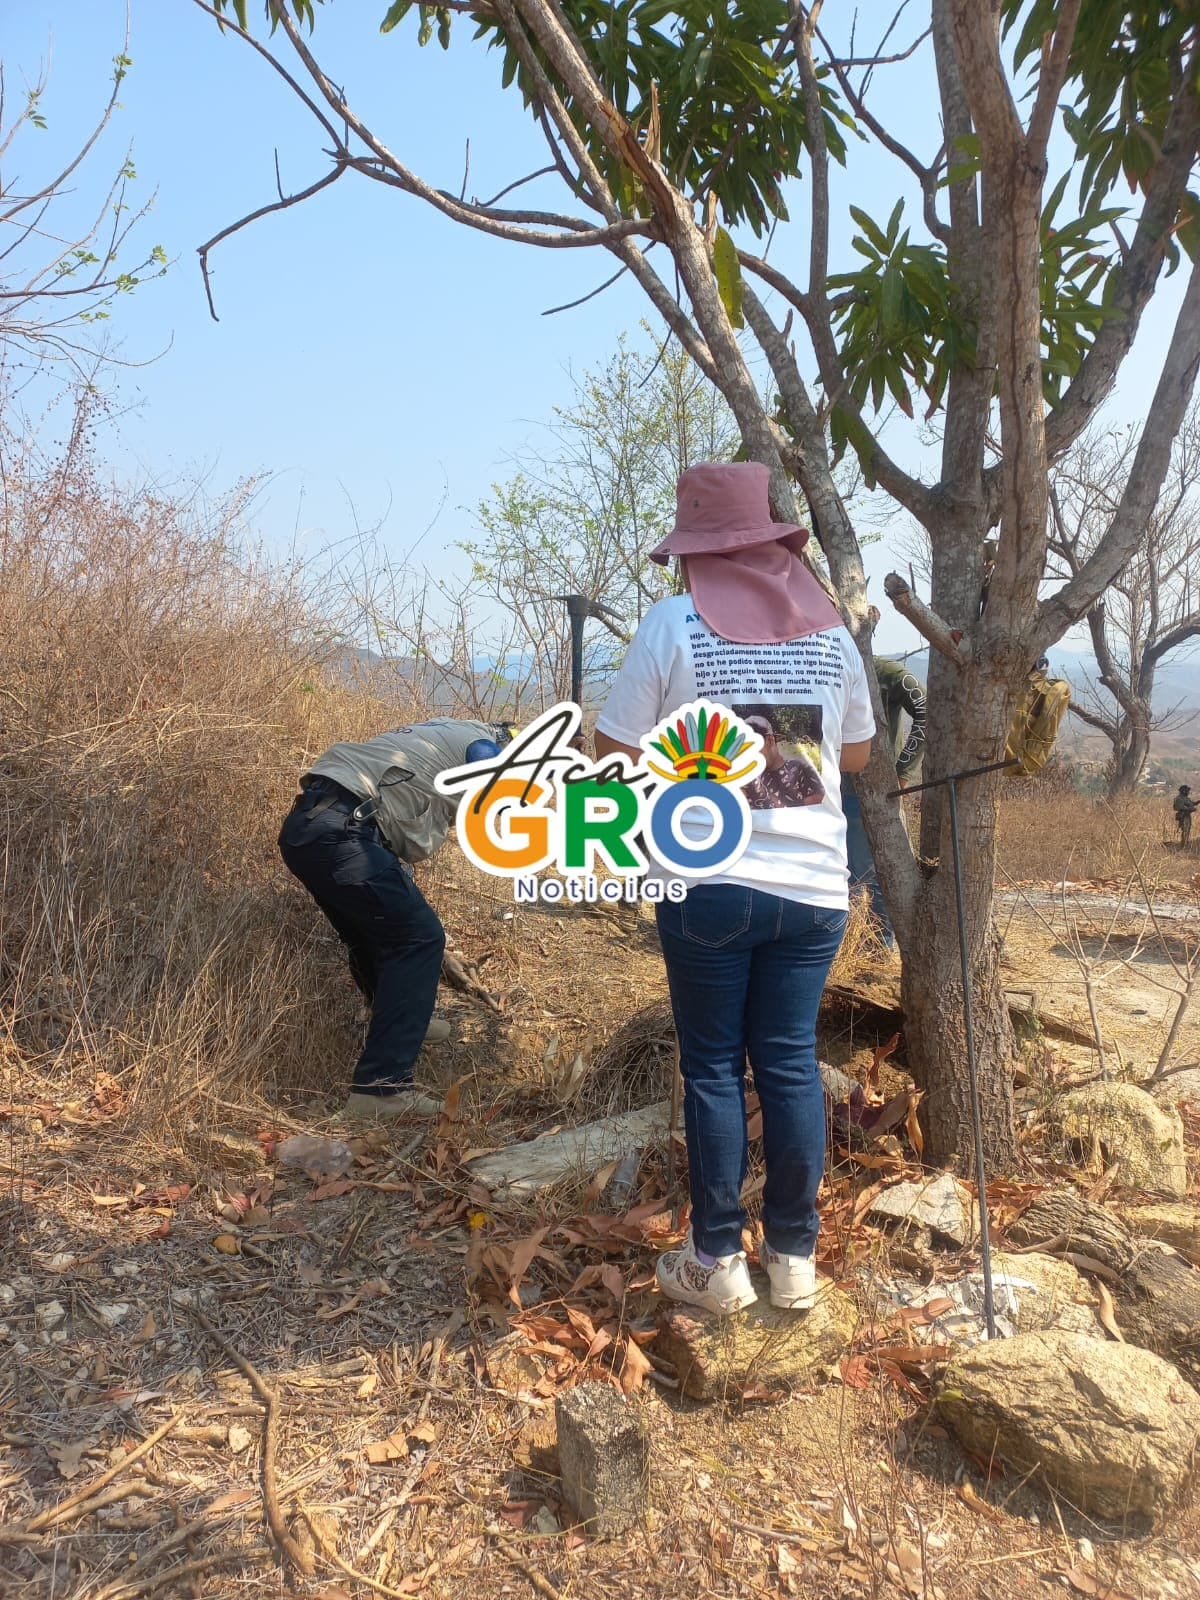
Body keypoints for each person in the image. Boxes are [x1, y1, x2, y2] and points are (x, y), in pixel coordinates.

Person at [594, 462, 874, 1316]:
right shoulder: (830, 634)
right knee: (788, 1061)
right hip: (813, 890)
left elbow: (616, 753)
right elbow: (856, 756)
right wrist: (777, 740)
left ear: (696, 555)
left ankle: (715, 1260)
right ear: (774, 547)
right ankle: (793, 1257)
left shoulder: (671, 624)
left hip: (707, 885)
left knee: (713, 1067)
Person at [279, 719, 511, 1118]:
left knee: (371, 936)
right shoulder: (483, 745)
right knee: (420, 939)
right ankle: (381, 1090)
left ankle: (402, 1023)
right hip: (346, 833)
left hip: (308, 827)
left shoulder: (446, 730)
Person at [841, 635, 927, 947]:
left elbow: (925, 710)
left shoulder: (885, 672)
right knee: (842, 870)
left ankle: (876, 949)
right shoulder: (821, 666)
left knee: (873, 873)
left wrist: (903, 770)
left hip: (870, 789)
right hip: (826, 789)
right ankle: (847, 948)